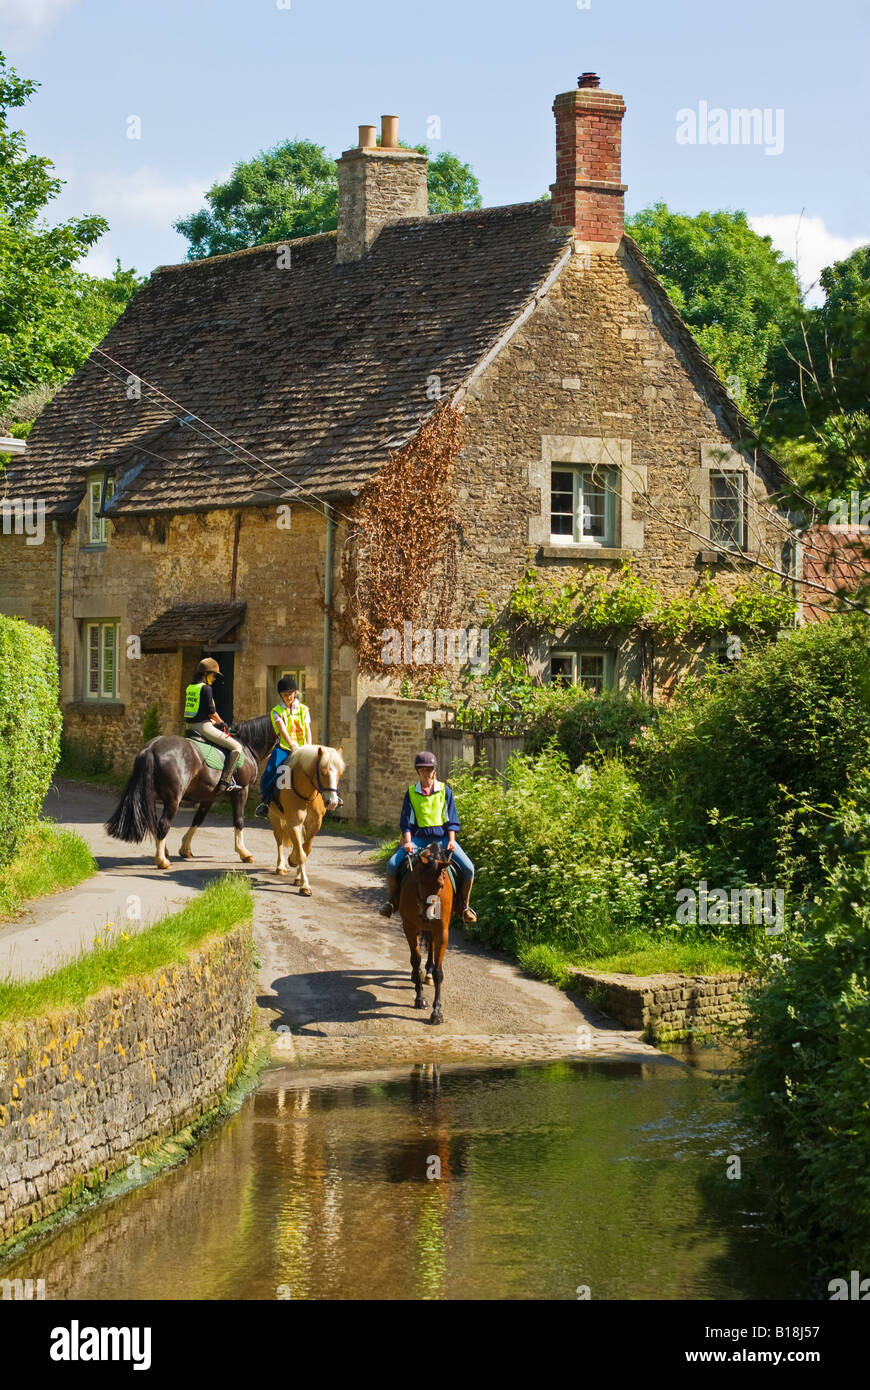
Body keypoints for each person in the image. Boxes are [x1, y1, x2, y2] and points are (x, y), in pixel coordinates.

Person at [380, 750, 477, 924]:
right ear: (418, 772)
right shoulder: (411, 793)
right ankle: (392, 902)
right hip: (418, 839)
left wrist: (452, 840)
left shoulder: (445, 791)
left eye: (430, 769)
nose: (427, 773)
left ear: (435, 770)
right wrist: (408, 841)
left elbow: (451, 820)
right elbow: (406, 822)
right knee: (392, 865)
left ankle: (464, 907)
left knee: (469, 868)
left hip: (443, 839)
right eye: (423, 770)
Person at [255, 676, 313, 817]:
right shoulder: (276, 711)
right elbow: (283, 730)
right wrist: (292, 746)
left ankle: (330, 798)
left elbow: (307, 729)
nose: (288, 696)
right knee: (270, 771)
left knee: (324, 767)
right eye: (285, 694)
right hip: (285, 748)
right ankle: (266, 802)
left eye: (290, 693)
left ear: (295, 692)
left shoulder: (304, 709)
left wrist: (309, 747)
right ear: (281, 695)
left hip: (304, 748)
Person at [183, 658, 244, 791]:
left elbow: (196, 710)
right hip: (203, 727)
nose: (215, 678)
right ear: (206, 674)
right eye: (214, 675)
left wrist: (209, 719)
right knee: (236, 747)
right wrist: (221, 722)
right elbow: (211, 712)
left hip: (189, 727)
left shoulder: (190, 687)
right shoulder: (206, 688)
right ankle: (226, 781)